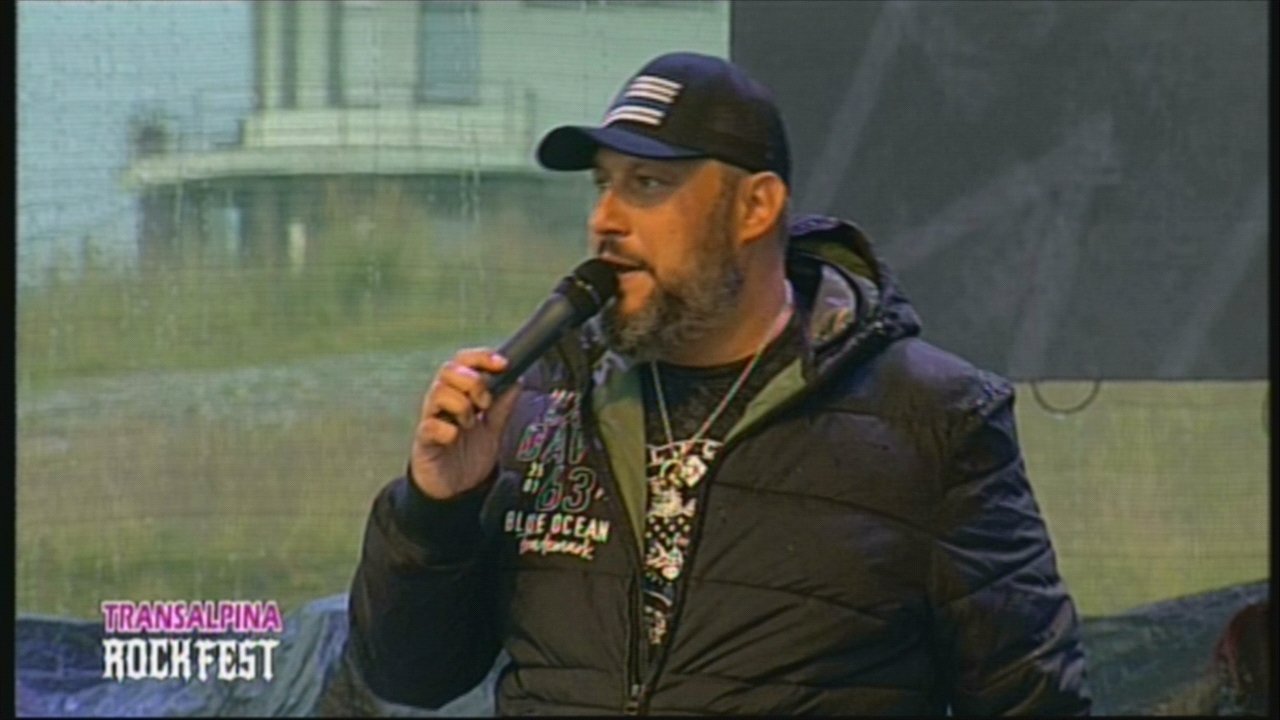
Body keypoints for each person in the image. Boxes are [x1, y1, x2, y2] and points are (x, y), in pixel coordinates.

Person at [341, 51, 1091, 715]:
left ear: (755, 207)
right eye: (602, 185)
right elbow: (410, 676)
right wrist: (435, 506)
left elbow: (1032, 701)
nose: (605, 219)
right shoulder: (541, 399)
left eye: (647, 184)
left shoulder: (934, 419)